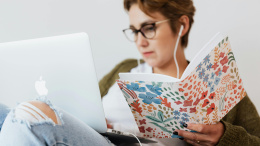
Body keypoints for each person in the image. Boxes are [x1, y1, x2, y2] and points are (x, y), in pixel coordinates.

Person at [0, 0, 259, 146]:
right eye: (135, 31)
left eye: (148, 28)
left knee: (28, 115)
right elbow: (85, 110)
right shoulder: (124, 69)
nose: (140, 42)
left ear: (181, 25)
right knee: (6, 112)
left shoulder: (216, 82)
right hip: (96, 138)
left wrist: (224, 135)